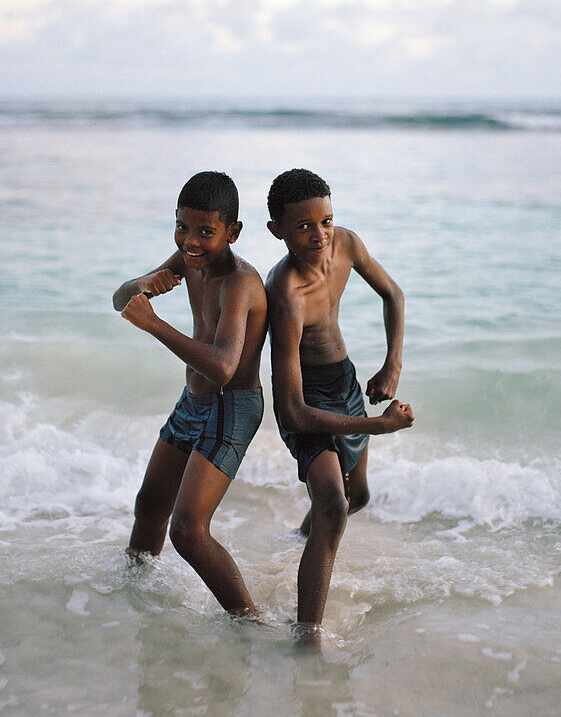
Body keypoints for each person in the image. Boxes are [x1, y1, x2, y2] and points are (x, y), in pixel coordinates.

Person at [265, 168, 414, 641]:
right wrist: (379, 426)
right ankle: (307, 636)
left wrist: (392, 365)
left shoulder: (346, 244)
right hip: (306, 398)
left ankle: (295, 543)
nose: (320, 235)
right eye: (304, 226)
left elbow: (393, 293)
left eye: (326, 221)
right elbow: (292, 412)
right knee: (333, 505)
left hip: (344, 381)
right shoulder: (285, 292)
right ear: (278, 231)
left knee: (357, 497)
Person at [113, 171, 268, 618]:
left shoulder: (240, 282)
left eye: (205, 231)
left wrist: (155, 324)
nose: (190, 241)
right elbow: (120, 297)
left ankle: (250, 622)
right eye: (182, 227)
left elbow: (223, 367)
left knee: (187, 530)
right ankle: (138, 600)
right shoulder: (188, 258)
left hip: (233, 406)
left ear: (233, 232)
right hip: (194, 401)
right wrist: (141, 285)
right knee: (149, 506)